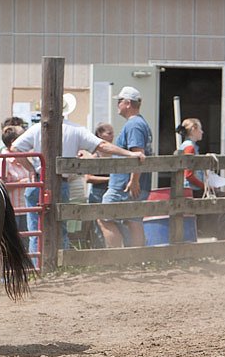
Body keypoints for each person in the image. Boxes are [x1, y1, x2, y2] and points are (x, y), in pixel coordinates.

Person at [10, 94, 144, 256]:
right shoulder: (76, 130)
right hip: (62, 183)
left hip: (40, 181)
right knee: (61, 226)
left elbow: (15, 148)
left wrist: (32, 169)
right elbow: (102, 146)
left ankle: (37, 264)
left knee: (36, 229)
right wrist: (128, 154)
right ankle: (61, 261)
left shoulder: (38, 128)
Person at [97, 86, 154, 248]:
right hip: (133, 183)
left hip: (124, 185)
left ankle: (115, 259)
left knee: (103, 217)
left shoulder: (133, 125)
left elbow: (138, 155)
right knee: (134, 221)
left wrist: (134, 180)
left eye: (120, 101)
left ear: (128, 103)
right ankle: (136, 259)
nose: (118, 104)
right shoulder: (140, 123)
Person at [177, 118, 225, 240]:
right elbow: (189, 174)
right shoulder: (190, 148)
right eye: (200, 129)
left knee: (219, 197)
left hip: (189, 188)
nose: (202, 132)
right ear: (194, 130)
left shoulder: (186, 146)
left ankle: (220, 233)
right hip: (192, 189)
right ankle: (223, 235)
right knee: (224, 198)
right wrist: (205, 187)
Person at [0, 125, 31, 248]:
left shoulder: (23, 160)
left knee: (25, 240)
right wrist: (21, 183)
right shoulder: (3, 161)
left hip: (24, 207)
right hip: (12, 208)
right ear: (14, 142)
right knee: (12, 243)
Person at [80, 123, 115, 248]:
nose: (112, 136)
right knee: (98, 226)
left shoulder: (115, 154)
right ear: (100, 135)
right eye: (109, 133)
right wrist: (110, 179)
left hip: (112, 192)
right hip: (98, 193)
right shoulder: (94, 156)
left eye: (112, 133)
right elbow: (88, 178)